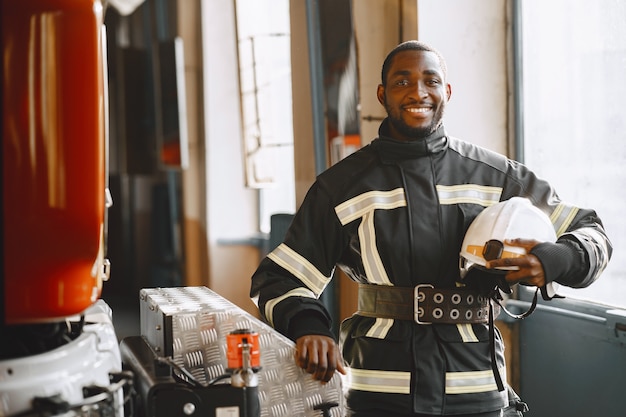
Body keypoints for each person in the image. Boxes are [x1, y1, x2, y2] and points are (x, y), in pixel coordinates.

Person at [249, 40, 612, 417]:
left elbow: (592, 232)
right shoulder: (342, 186)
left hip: (475, 386)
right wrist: (310, 326)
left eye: (431, 81)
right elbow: (280, 277)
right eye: (402, 82)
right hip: (378, 387)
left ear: (447, 92)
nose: (418, 92)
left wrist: (555, 258)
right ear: (382, 94)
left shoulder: (496, 177)